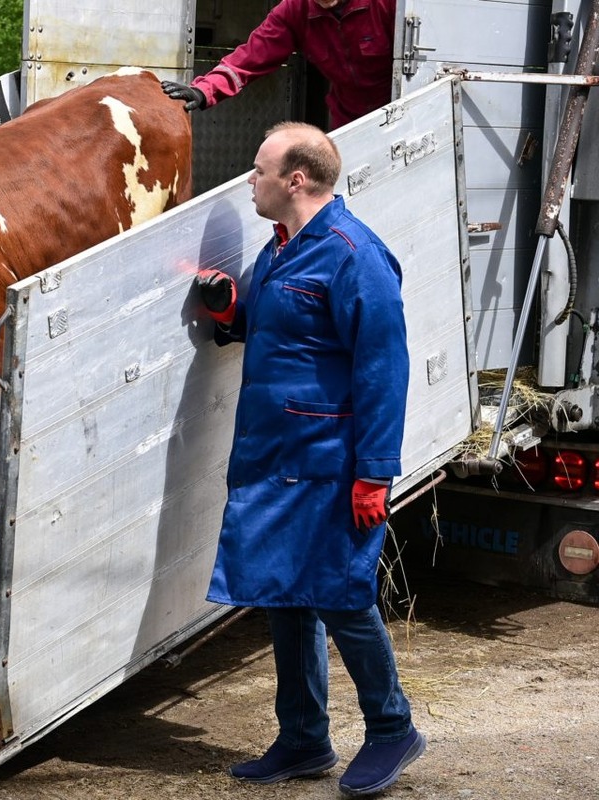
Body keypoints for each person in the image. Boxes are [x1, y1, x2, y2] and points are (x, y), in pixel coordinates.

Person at [193, 122, 424, 797]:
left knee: (342, 598)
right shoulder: (279, 251)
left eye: (259, 170)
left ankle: (392, 729)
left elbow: (385, 369)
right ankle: (303, 739)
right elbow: (266, 327)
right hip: (272, 458)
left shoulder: (355, 255)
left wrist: (374, 473)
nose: (251, 180)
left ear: (297, 179)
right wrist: (228, 308)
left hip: (331, 466)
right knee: (283, 598)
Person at [162, 0, 396, 129]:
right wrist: (204, 90)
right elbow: (250, 57)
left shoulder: (387, 4)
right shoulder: (295, 10)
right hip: (347, 121)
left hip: (400, 107)